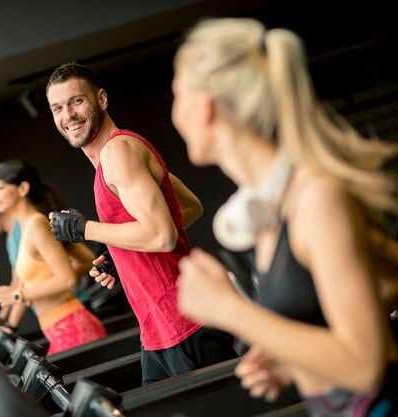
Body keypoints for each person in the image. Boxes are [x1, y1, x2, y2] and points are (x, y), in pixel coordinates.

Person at [171, 18, 398, 417]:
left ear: (205, 106)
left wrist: (233, 312)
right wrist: (291, 361)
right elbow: (351, 312)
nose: (174, 115)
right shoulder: (269, 214)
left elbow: (364, 364)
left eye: (176, 95)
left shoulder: (315, 198)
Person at [45, 62, 239, 385]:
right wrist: (122, 256)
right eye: (58, 108)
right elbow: (188, 207)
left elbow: (162, 234)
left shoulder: (118, 152)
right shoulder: (115, 157)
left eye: (77, 101)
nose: (68, 115)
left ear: (102, 100)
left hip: (186, 326)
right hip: (157, 334)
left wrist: (83, 229)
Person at [0, 159, 107, 355]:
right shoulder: (28, 227)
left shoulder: (37, 225)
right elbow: (86, 259)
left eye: (0, 187)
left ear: (22, 188)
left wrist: (20, 295)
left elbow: (67, 279)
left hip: (72, 327)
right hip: (59, 329)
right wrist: (43, 286)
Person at [0, 179, 96, 337]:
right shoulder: (11, 239)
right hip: (52, 319)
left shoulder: (23, 228)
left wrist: (10, 326)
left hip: (68, 309)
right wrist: (1, 318)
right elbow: (17, 281)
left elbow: (22, 287)